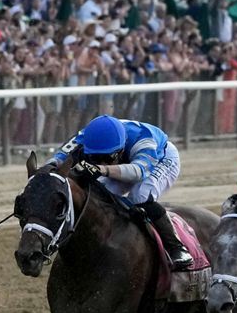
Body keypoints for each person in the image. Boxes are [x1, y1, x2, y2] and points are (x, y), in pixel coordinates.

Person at [51, 114, 194, 270]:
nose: (101, 161)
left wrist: (102, 169)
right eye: (95, 157)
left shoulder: (143, 139)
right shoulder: (84, 137)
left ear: (120, 150)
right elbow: (55, 161)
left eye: (107, 157)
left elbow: (138, 172)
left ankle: (176, 247)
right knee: (97, 194)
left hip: (162, 159)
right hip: (127, 162)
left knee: (140, 195)